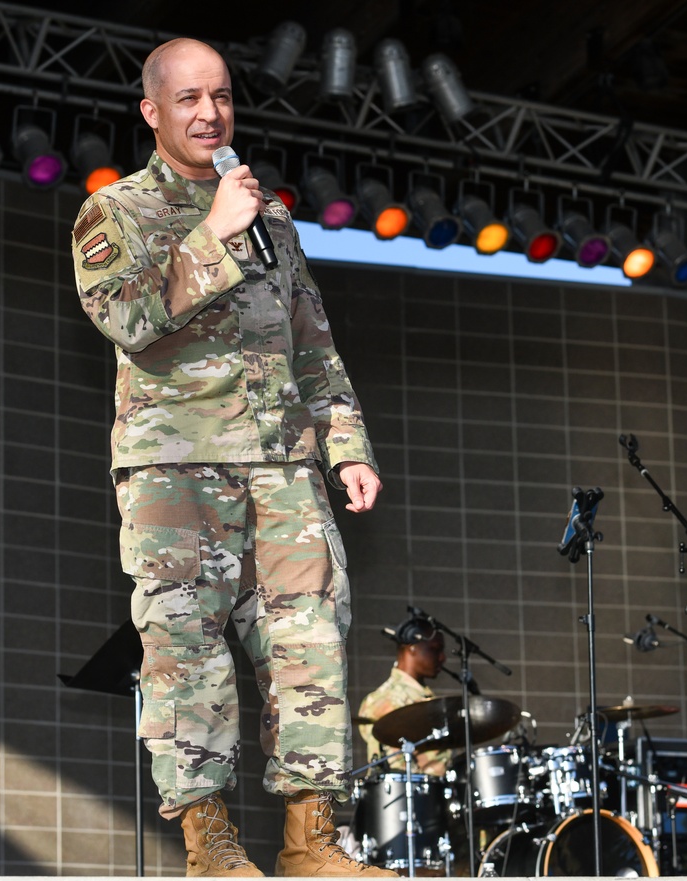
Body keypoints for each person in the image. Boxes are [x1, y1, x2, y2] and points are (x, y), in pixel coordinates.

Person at [70, 37, 393, 878]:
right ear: (152, 111)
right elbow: (129, 318)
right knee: (188, 651)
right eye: (188, 99)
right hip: (177, 471)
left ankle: (311, 843)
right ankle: (211, 849)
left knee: (312, 642)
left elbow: (314, 347)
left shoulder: (273, 217)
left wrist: (346, 448)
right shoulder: (118, 212)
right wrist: (214, 233)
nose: (210, 113)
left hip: (283, 465)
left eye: (220, 96)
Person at [357, 615, 452, 776]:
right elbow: (397, 770)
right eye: (435, 649)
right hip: (412, 797)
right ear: (412, 648)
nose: (443, 658)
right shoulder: (387, 699)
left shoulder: (420, 694)